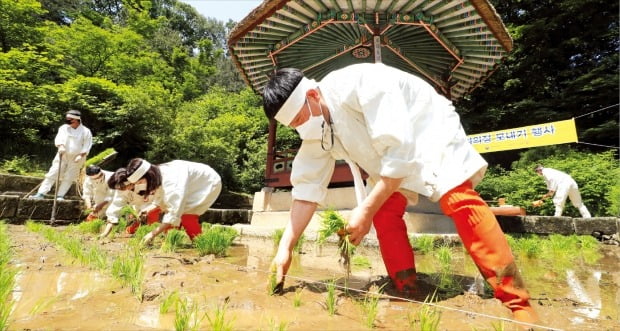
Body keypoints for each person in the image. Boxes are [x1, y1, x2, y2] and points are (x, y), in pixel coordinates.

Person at [262, 63, 539, 324]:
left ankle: (517, 303)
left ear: (312, 94)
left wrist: (364, 211)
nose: (300, 127)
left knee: (458, 199)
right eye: (293, 125)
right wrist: (285, 249)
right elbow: (306, 190)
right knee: (384, 212)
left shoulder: (360, 83)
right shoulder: (316, 126)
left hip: (429, 133)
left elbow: (398, 154)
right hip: (388, 163)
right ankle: (406, 286)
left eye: (300, 118)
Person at [105, 158, 222, 244]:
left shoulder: (172, 180)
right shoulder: (156, 175)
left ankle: (200, 243)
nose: (138, 186)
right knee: (170, 213)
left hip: (206, 184)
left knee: (187, 216)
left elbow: (173, 209)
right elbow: (161, 197)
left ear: (148, 175)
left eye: (140, 182)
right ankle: (171, 241)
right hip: (189, 184)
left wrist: (152, 234)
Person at [30, 110, 92, 200]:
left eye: (70, 119)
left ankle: (60, 195)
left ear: (76, 120)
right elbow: (59, 138)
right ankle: (41, 193)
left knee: (69, 176)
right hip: (62, 154)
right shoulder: (64, 128)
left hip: (77, 158)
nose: (68, 121)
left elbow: (87, 145)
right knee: (53, 173)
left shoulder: (86, 131)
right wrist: (61, 146)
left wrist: (81, 155)